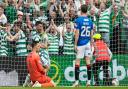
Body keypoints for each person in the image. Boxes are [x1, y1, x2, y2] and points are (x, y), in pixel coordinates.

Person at [73, 4, 94, 87]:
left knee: (77, 62)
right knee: (88, 62)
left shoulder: (78, 20)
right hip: (88, 43)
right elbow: (92, 34)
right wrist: (91, 44)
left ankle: (77, 82)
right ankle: (88, 82)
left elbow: (77, 33)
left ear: (81, 10)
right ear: (87, 11)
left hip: (80, 44)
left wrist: (75, 44)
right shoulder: (90, 21)